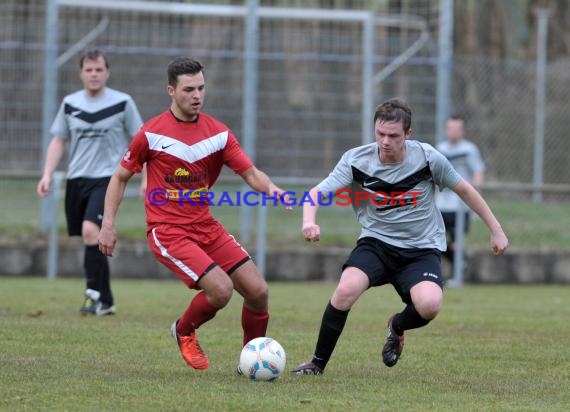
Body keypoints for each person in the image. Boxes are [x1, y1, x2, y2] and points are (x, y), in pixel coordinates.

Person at [97, 57, 290, 370]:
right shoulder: (151, 133)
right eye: (188, 89)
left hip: (205, 226)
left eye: (201, 88)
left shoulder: (218, 134)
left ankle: (250, 361)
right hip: (167, 230)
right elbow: (119, 177)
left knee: (258, 291)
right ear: (171, 90)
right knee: (221, 290)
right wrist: (108, 224)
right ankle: (184, 330)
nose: (197, 95)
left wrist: (274, 191)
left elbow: (251, 173)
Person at [291, 98, 508, 375]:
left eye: (393, 135)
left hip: (421, 248)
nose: (385, 141)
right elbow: (316, 193)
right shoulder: (357, 160)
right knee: (345, 289)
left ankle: (397, 326)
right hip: (376, 243)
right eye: (380, 134)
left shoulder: (428, 158)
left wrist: (496, 229)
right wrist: (309, 221)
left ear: (408, 134)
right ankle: (316, 364)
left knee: (429, 305)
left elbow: (465, 190)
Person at [37, 49, 143, 316]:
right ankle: (107, 300)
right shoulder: (70, 103)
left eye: (99, 70)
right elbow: (58, 139)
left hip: (108, 178)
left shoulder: (122, 102)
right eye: (89, 70)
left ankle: (92, 296)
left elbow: (142, 141)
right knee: (92, 238)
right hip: (77, 179)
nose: (94, 74)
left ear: (107, 72)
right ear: (81, 73)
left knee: (89, 230)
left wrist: (146, 179)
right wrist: (47, 174)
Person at [436, 115, 485, 270]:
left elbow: (478, 172)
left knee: (456, 242)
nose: (453, 132)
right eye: (450, 128)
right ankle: (460, 265)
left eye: (457, 128)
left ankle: (458, 272)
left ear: (462, 131)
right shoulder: (440, 149)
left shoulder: (469, 149)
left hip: (461, 205)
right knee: (437, 241)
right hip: (441, 205)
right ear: (446, 130)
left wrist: (476, 199)